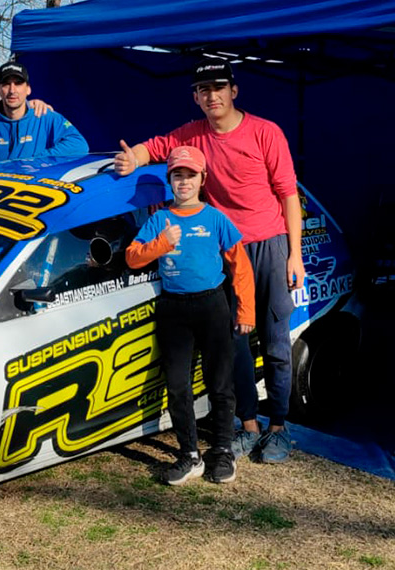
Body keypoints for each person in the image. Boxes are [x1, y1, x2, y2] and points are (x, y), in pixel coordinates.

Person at [114, 57, 304, 463]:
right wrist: (135, 159)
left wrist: (295, 255)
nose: (211, 96)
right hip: (225, 250)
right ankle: (248, 427)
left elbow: (289, 195)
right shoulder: (193, 135)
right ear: (196, 98)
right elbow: (158, 147)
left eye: (219, 87)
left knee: (274, 342)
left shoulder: (266, 132)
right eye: (203, 90)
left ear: (233, 91)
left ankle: (279, 428)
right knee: (234, 343)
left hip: (268, 245)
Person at [125, 146, 255, 485]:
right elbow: (133, 258)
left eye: (190, 175)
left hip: (213, 305)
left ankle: (223, 450)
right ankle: (190, 454)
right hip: (174, 309)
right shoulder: (159, 220)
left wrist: (246, 311)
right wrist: (161, 244)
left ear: (202, 180)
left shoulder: (215, 218)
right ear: (170, 181)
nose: (184, 182)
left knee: (220, 382)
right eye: (177, 176)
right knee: (178, 384)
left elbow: (241, 266)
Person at [0, 61, 89, 164]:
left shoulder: (44, 117)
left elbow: (80, 145)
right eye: (6, 84)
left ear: (28, 89)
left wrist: (38, 160)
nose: (12, 90)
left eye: (18, 83)